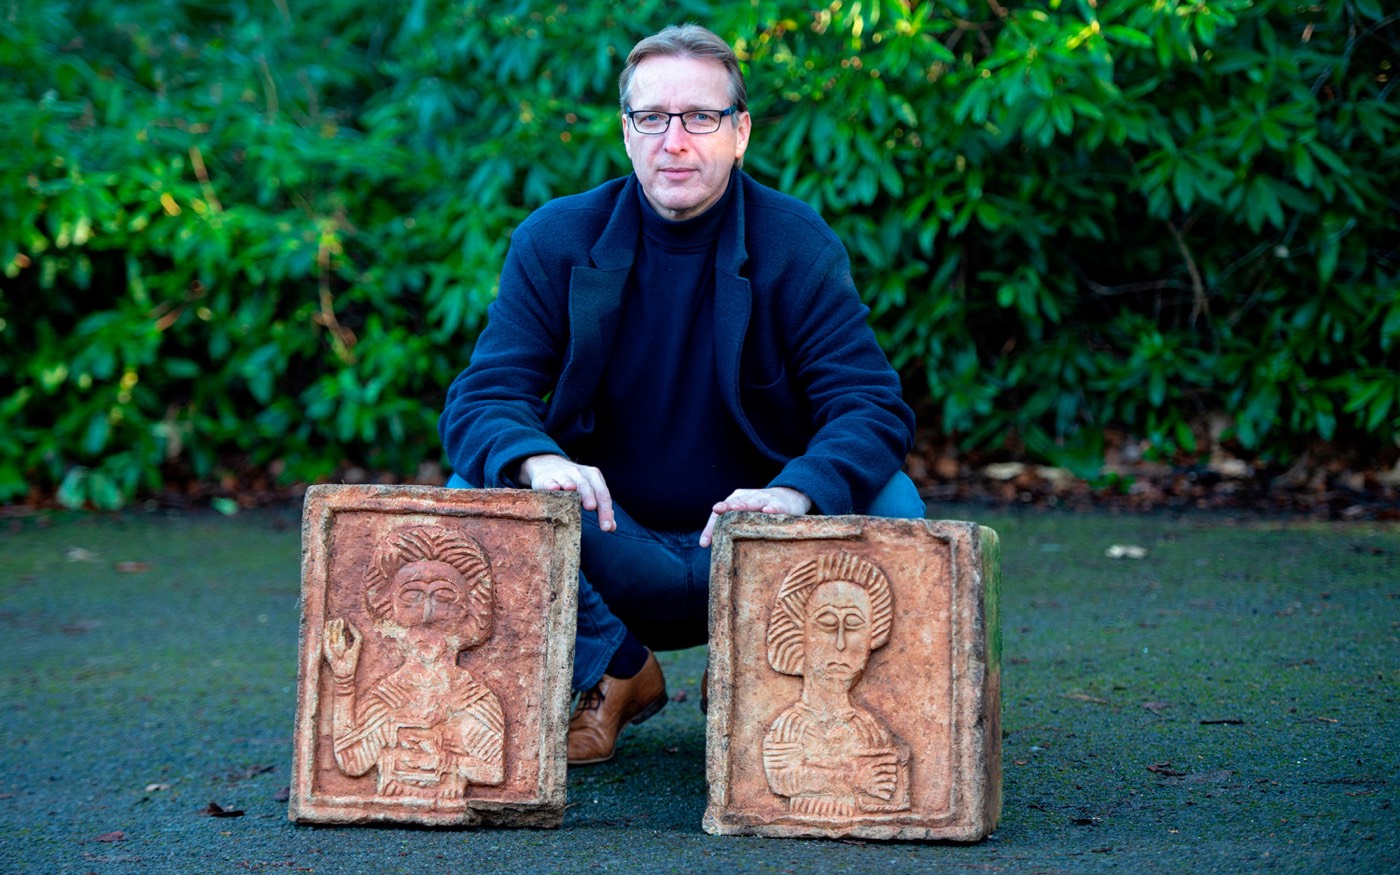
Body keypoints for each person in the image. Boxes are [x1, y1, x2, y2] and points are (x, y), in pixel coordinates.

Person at [439, 24, 923, 765]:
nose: (675, 140)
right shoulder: (554, 241)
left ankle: (834, 714)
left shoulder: (797, 242)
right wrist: (538, 459)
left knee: (895, 505)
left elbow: (869, 404)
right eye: (652, 118)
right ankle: (615, 666)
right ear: (625, 134)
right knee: (476, 483)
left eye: (701, 117)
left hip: (759, 541)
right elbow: (482, 397)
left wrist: (796, 492)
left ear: (740, 132)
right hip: (603, 541)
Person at [762, 551, 910, 818]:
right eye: (827, 623)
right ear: (798, 633)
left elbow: (889, 790)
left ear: (871, 638)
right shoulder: (791, 724)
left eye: (854, 625)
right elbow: (780, 779)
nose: (840, 644)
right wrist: (852, 776)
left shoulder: (869, 727)